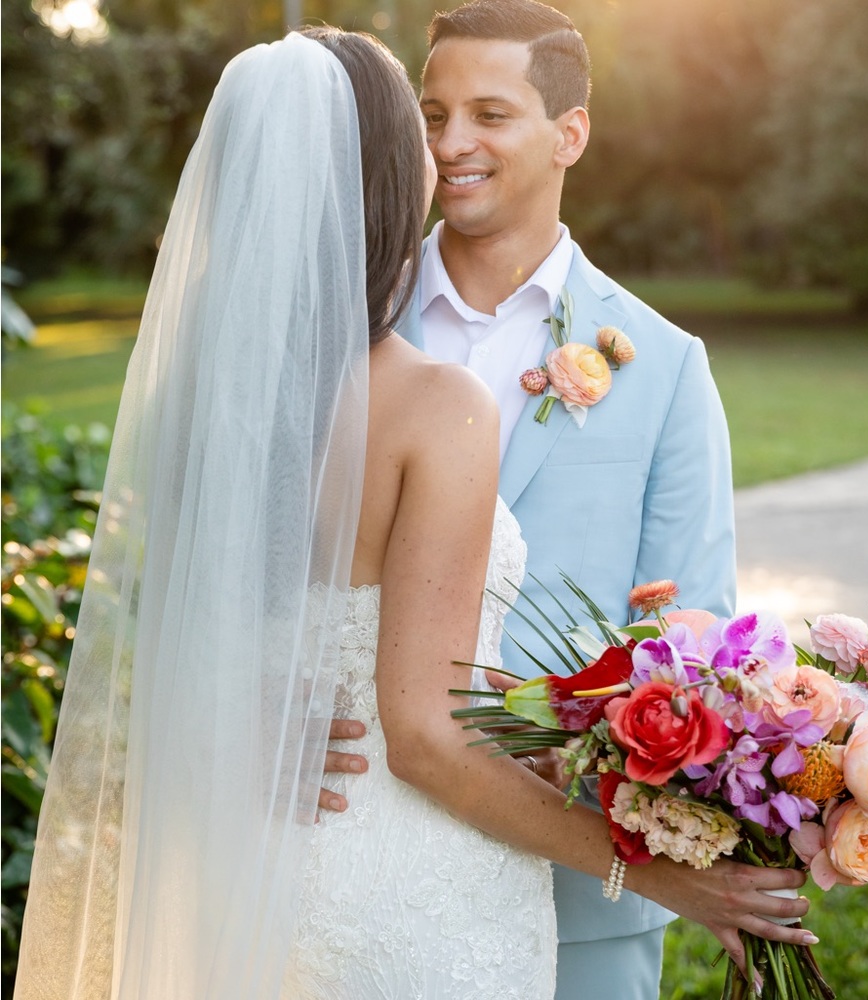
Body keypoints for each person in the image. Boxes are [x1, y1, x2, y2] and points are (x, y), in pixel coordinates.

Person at [15, 21, 812, 1000]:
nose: (450, 142)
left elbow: (697, 638)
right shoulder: (313, 358)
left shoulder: (664, 363)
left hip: (575, 884)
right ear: (396, 160)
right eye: (429, 117)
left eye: (489, 114)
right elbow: (231, 609)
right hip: (380, 878)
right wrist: (248, 716)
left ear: (571, 133)